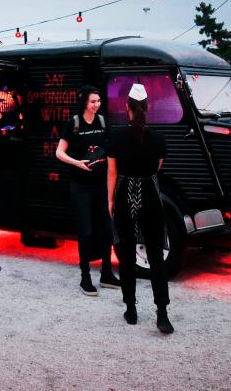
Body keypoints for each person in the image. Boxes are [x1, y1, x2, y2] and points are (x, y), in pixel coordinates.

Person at [107, 83, 173, 334]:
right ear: (148, 107)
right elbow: (158, 167)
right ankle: (162, 314)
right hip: (150, 194)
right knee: (156, 256)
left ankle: (131, 310)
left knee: (125, 254)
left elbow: (112, 172)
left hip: (124, 192)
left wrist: (110, 200)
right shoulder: (158, 138)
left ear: (127, 108)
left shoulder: (116, 136)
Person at [56, 85, 120, 296]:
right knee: (85, 230)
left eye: (98, 101)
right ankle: (85, 277)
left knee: (106, 229)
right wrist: (77, 163)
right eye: (93, 101)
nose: (96, 105)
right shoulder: (74, 123)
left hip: (100, 184)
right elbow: (59, 153)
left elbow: (110, 150)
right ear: (84, 102)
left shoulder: (103, 122)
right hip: (80, 186)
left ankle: (107, 274)